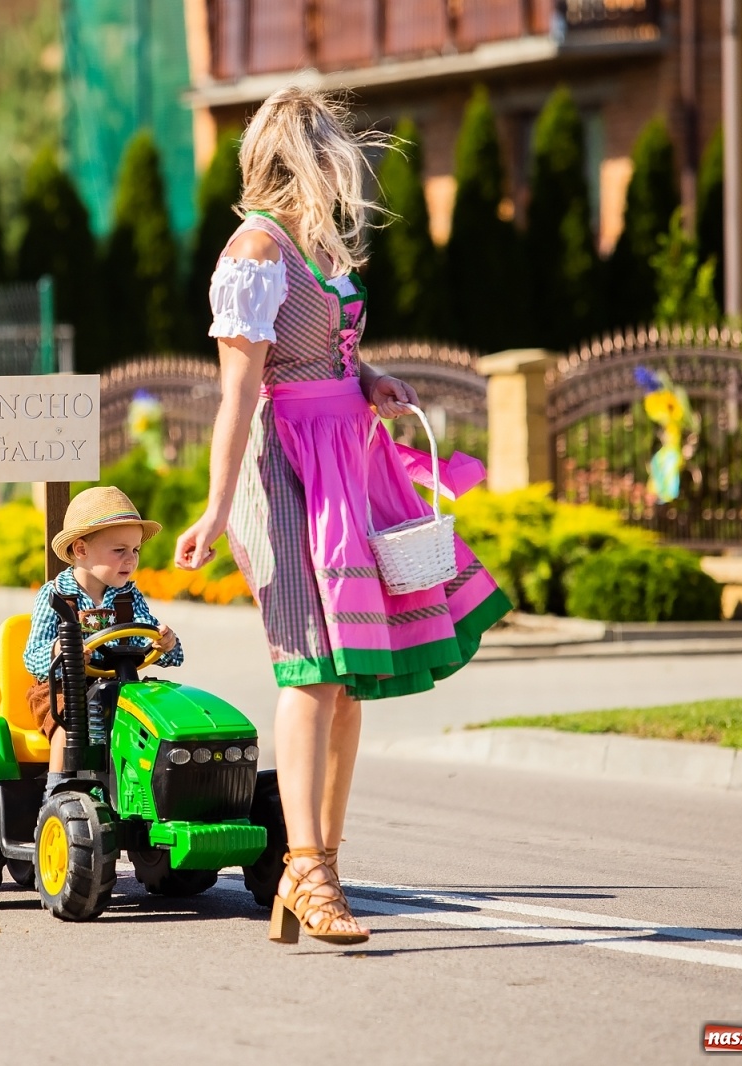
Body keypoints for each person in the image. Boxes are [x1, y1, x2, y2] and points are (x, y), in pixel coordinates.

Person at [173, 86, 510, 945]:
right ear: (299, 162)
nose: (346, 174)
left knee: (349, 677)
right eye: (333, 158)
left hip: (343, 459)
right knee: (310, 670)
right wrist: (214, 511)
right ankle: (305, 866)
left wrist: (368, 380)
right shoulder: (254, 250)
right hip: (283, 469)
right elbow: (240, 394)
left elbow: (322, 349)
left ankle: (319, 864)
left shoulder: (310, 248)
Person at [23, 486, 182, 792]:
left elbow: (145, 637)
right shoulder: (56, 595)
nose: (131, 559)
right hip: (62, 687)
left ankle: (150, 790)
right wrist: (60, 650)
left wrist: (164, 645)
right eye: (119, 550)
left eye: (135, 550)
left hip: (118, 681)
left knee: (153, 713)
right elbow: (32, 655)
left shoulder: (128, 596)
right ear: (81, 550)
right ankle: (56, 794)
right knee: (70, 723)